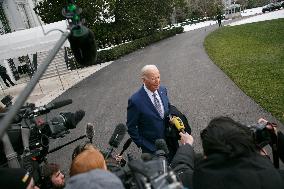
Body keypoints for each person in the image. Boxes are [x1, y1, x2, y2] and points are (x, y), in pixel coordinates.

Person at [171, 116, 284, 189]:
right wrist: (276, 136)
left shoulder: (200, 181)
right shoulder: (276, 178)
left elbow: (180, 170)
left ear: (207, 155)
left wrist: (186, 145)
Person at [127, 65, 170, 154]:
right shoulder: (135, 101)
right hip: (151, 149)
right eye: (153, 79)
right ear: (144, 80)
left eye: (158, 77)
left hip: (169, 142)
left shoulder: (163, 90)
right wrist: (144, 145)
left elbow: (168, 109)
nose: (157, 81)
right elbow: (131, 127)